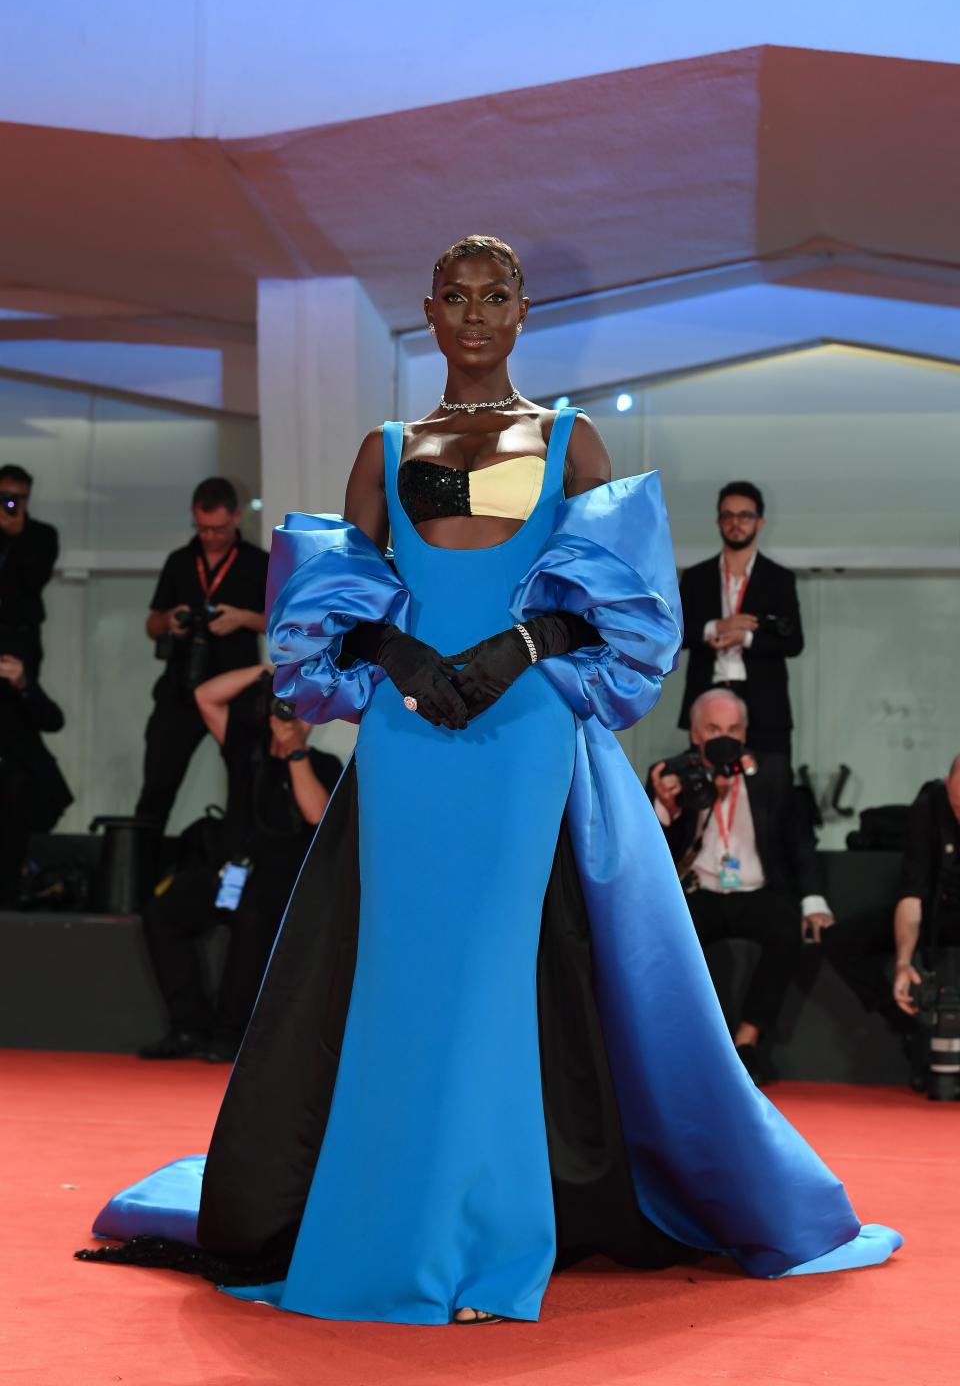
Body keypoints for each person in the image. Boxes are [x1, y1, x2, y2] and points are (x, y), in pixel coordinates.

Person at [80, 235, 900, 1321]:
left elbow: (628, 616)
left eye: (495, 296)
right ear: (428, 312)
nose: (474, 314)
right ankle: (396, 1219)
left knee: (492, 981)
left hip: (525, 737)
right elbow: (321, 616)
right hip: (412, 742)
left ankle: (489, 1243)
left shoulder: (573, 440)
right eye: (455, 297)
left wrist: (512, 651)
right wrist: (400, 658)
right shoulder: (385, 449)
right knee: (405, 978)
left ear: (523, 312)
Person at [138, 665, 341, 1062]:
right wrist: (267, 671)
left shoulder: (323, 765)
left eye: (300, 713)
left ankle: (229, 1036)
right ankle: (187, 1028)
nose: (290, 719)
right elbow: (206, 696)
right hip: (228, 872)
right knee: (163, 912)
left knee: (254, 918)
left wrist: (295, 752)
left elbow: (316, 814)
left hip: (278, 886)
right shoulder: (245, 749)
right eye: (284, 708)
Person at [650, 687, 832, 1083]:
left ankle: (745, 1043)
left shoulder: (772, 771)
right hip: (699, 891)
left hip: (757, 891)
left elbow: (800, 841)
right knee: (671, 941)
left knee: (786, 930)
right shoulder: (673, 773)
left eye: (733, 728)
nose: (724, 737)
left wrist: (814, 900)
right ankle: (688, 1048)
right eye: (713, 728)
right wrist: (665, 805)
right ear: (696, 734)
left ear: (745, 733)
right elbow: (648, 851)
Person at [135, 478, 269, 831]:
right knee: (157, 787)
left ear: (236, 517)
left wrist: (242, 618)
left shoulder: (258, 562)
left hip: (235, 690)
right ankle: (142, 874)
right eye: (202, 528)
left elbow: (280, 622)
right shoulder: (180, 561)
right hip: (180, 688)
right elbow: (151, 624)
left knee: (247, 781)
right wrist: (170, 619)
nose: (210, 536)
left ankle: (240, 867)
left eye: (218, 528)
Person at [677, 481, 803, 759]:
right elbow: (676, 635)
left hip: (765, 705)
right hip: (708, 696)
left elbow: (794, 642)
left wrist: (745, 637)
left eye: (745, 515)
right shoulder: (696, 577)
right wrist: (718, 627)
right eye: (728, 515)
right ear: (718, 521)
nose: (736, 523)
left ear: (760, 522)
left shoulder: (779, 578)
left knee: (771, 788)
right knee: (708, 784)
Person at [0, 650, 72, 905]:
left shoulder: (9, 680)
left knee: (15, 785)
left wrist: (24, 685)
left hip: (24, 791)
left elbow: (53, 720)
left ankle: (12, 887)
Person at [891, 757, 960, 1016]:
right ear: (947, 783)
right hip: (935, 910)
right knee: (844, 942)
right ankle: (906, 1027)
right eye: (957, 807)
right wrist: (903, 962)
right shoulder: (928, 807)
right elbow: (912, 893)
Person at [0, 463, 60, 672]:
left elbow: (35, 580)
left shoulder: (42, 535)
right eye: (6, 496)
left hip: (20, 633)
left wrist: (18, 536)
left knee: (21, 697)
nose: (13, 503)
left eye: (21, 497)